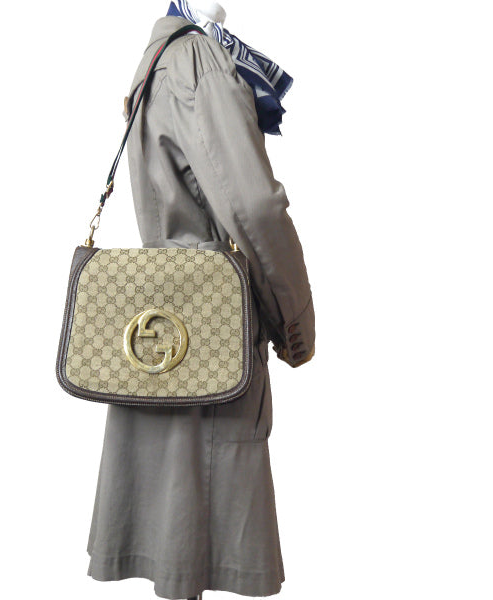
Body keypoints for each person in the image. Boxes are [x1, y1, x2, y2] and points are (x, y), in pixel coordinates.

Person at [85, 10, 315, 600]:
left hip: (159, 325)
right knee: (200, 532)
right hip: (212, 325)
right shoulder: (199, 60)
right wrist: (295, 325)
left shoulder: (159, 56)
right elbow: (254, 208)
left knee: (177, 541)